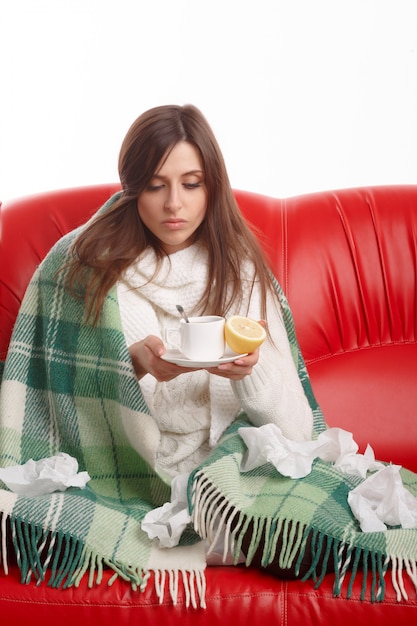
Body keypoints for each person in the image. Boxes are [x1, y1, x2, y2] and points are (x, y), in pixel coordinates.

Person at [63, 104, 314, 479]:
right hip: (142, 476)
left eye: (191, 183)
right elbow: (80, 418)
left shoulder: (239, 271)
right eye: (154, 185)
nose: (174, 204)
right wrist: (131, 363)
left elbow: (298, 433)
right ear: (132, 189)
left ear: (212, 186)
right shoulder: (101, 271)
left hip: (240, 466)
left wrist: (251, 373)